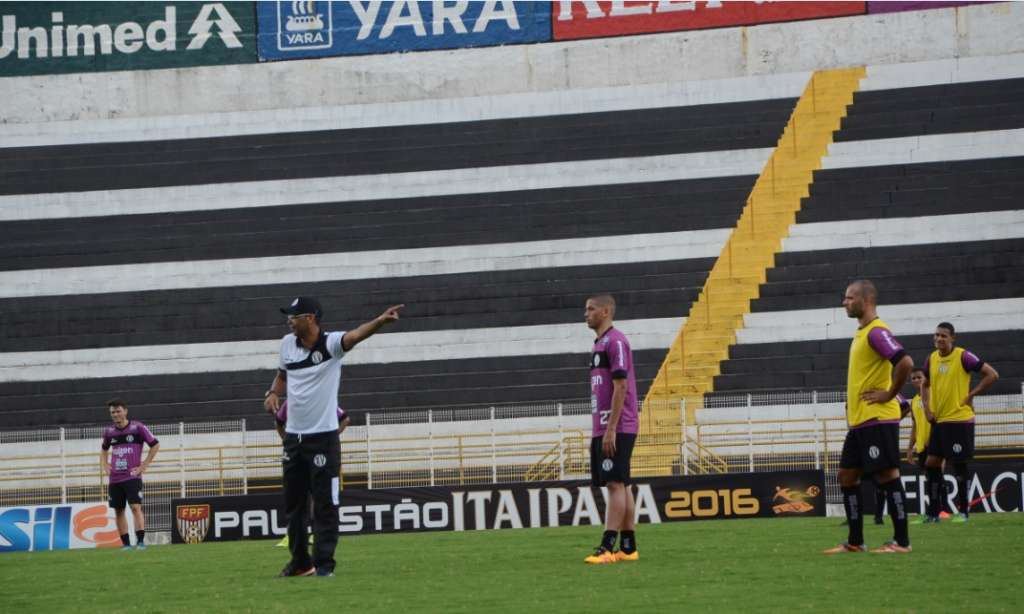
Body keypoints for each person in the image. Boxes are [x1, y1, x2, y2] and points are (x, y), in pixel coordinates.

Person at [264, 296, 403, 577]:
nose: (289, 320)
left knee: (325, 506)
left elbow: (356, 335)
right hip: (293, 439)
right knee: (294, 508)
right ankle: (301, 563)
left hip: (323, 439)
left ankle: (324, 566)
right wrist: (272, 393)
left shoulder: (330, 345)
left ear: (310, 318)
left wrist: (380, 321)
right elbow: (282, 375)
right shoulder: (286, 344)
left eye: (294, 316)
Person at [825, 280, 913, 554]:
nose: (845, 302)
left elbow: (905, 363)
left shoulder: (877, 332)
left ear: (866, 300)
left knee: (887, 476)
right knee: (847, 476)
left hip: (877, 419)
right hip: (861, 422)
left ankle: (901, 542)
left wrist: (889, 395)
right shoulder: (862, 333)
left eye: (850, 298)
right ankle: (855, 542)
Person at [582, 294, 640, 564]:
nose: (586, 314)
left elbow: (621, 386)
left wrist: (611, 429)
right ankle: (628, 548)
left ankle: (607, 547)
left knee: (614, 484)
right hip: (606, 425)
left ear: (605, 311)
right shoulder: (600, 344)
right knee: (623, 484)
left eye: (591, 309)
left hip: (616, 425)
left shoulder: (615, 341)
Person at [921, 322, 999, 523]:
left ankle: (963, 512)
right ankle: (934, 512)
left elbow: (992, 375)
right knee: (931, 463)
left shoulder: (964, 356)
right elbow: (924, 384)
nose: (939, 339)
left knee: (959, 464)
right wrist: (927, 409)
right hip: (939, 421)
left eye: (943, 336)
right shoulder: (931, 359)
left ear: (952, 338)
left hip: (959, 420)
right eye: (936, 335)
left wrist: (972, 394)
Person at [274, 401, 350, 548]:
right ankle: (292, 536)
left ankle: (316, 534)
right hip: (297, 453)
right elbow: (278, 422)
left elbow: (345, 419)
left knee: (318, 495)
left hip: (321, 454)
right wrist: (288, 441)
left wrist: (331, 438)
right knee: (297, 496)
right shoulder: (290, 402)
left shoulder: (322, 399)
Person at [100, 399, 160, 550]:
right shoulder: (109, 432)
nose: (115, 414)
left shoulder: (138, 428)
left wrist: (143, 465)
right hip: (115, 478)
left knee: (135, 507)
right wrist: (105, 464)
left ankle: (140, 542)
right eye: (112, 412)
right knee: (119, 510)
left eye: (118, 411)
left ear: (125, 411)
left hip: (132, 476)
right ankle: (126, 544)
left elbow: (155, 444)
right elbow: (104, 449)